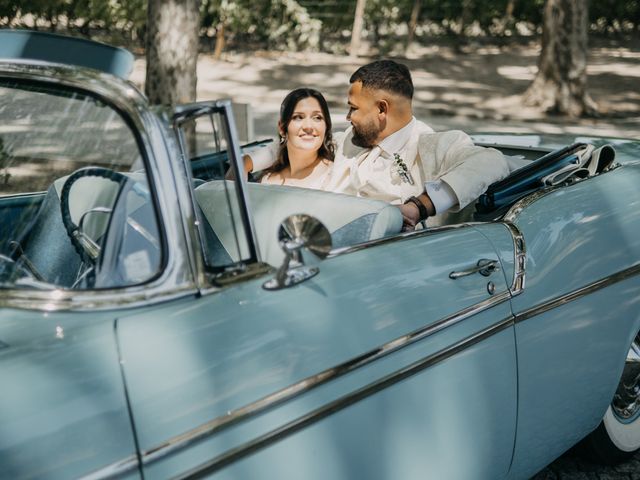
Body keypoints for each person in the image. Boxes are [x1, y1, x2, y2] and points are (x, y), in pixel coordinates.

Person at [249, 60, 510, 229]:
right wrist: (248, 161)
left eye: (353, 108)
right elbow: (304, 139)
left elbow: (492, 161)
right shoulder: (349, 141)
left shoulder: (432, 145)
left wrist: (419, 206)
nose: (347, 117)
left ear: (381, 110)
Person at [259, 88, 335, 190]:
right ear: (282, 128)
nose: (308, 126)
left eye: (317, 117)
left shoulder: (334, 176)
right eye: (298, 117)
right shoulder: (268, 179)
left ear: (326, 126)